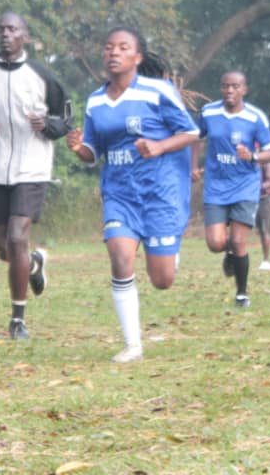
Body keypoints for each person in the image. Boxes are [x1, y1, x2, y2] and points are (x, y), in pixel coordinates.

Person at [67, 26, 198, 362]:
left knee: (162, 280)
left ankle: (170, 247)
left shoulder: (158, 92)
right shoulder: (96, 101)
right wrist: (79, 148)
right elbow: (94, 153)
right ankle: (133, 345)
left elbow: (190, 132)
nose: (114, 52)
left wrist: (159, 146)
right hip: (120, 193)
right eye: (109, 47)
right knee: (120, 256)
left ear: (137, 57)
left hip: (159, 193)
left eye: (123, 47)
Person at [0, 12, 70, 340]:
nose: (5, 34)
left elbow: (64, 120)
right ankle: (34, 264)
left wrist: (47, 125)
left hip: (32, 166)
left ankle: (17, 319)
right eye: (1, 29)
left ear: (25, 35)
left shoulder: (42, 76)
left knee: (16, 236)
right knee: (2, 248)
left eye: (12, 29)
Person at [192, 70, 270, 308]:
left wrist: (253, 156)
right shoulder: (209, 113)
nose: (229, 90)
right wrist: (193, 166)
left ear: (244, 90)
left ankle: (241, 293)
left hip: (245, 186)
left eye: (235, 86)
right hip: (216, 187)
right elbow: (196, 138)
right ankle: (228, 252)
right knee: (215, 243)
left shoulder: (255, 117)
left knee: (239, 242)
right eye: (225, 86)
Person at [255, 158, 270, 271]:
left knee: (264, 230)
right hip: (247, 199)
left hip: (263, 199)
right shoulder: (245, 159)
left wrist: (256, 187)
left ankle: (266, 260)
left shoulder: (265, 161)